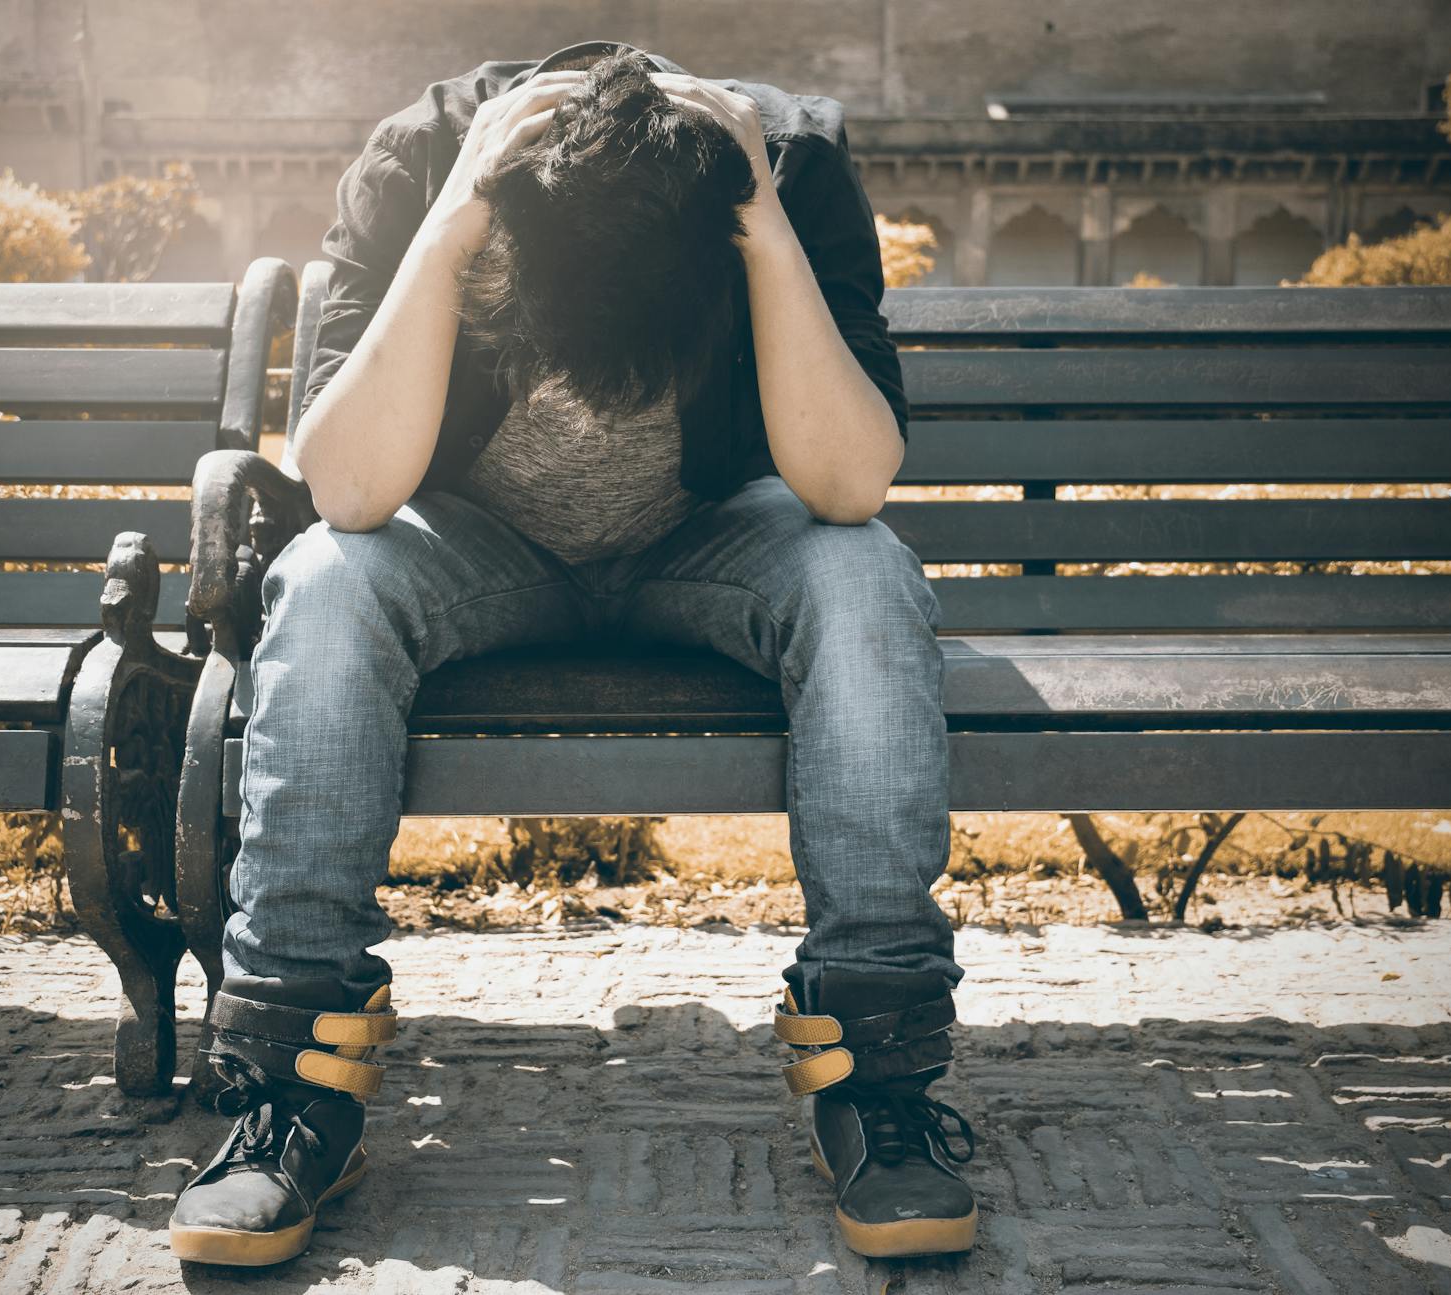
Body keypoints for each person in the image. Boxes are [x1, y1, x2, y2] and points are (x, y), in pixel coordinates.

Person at [168, 38, 976, 1268]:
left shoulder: (788, 166)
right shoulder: (420, 161)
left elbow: (847, 480)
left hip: (711, 536)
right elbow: (345, 486)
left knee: (863, 576)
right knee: (325, 583)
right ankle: (287, 1087)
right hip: (476, 545)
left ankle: (877, 1075)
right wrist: (449, 229)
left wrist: (756, 226)